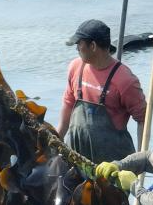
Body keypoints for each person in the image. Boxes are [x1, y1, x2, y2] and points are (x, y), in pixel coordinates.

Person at [57, 19, 146, 163]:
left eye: (79, 44)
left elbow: (143, 120)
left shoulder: (125, 80)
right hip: (76, 155)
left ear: (92, 46)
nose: (77, 49)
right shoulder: (75, 68)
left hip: (113, 162)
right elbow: (68, 104)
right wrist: (57, 140)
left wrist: (141, 159)